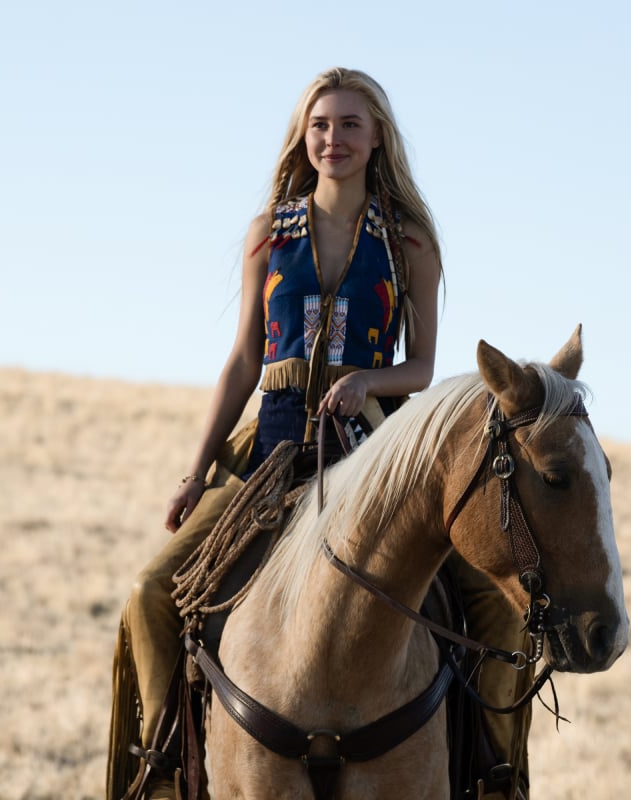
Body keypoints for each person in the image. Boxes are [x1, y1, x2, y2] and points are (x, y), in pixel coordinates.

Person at [108, 67, 531, 800]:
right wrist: (197, 469)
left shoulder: (409, 243)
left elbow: (424, 366)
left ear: (377, 140)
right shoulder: (269, 233)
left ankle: (498, 775)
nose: (333, 138)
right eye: (321, 125)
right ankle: (164, 768)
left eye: (350, 125)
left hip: (376, 459)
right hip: (270, 455)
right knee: (151, 593)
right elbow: (243, 359)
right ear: (304, 138)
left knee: (494, 604)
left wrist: (370, 381)